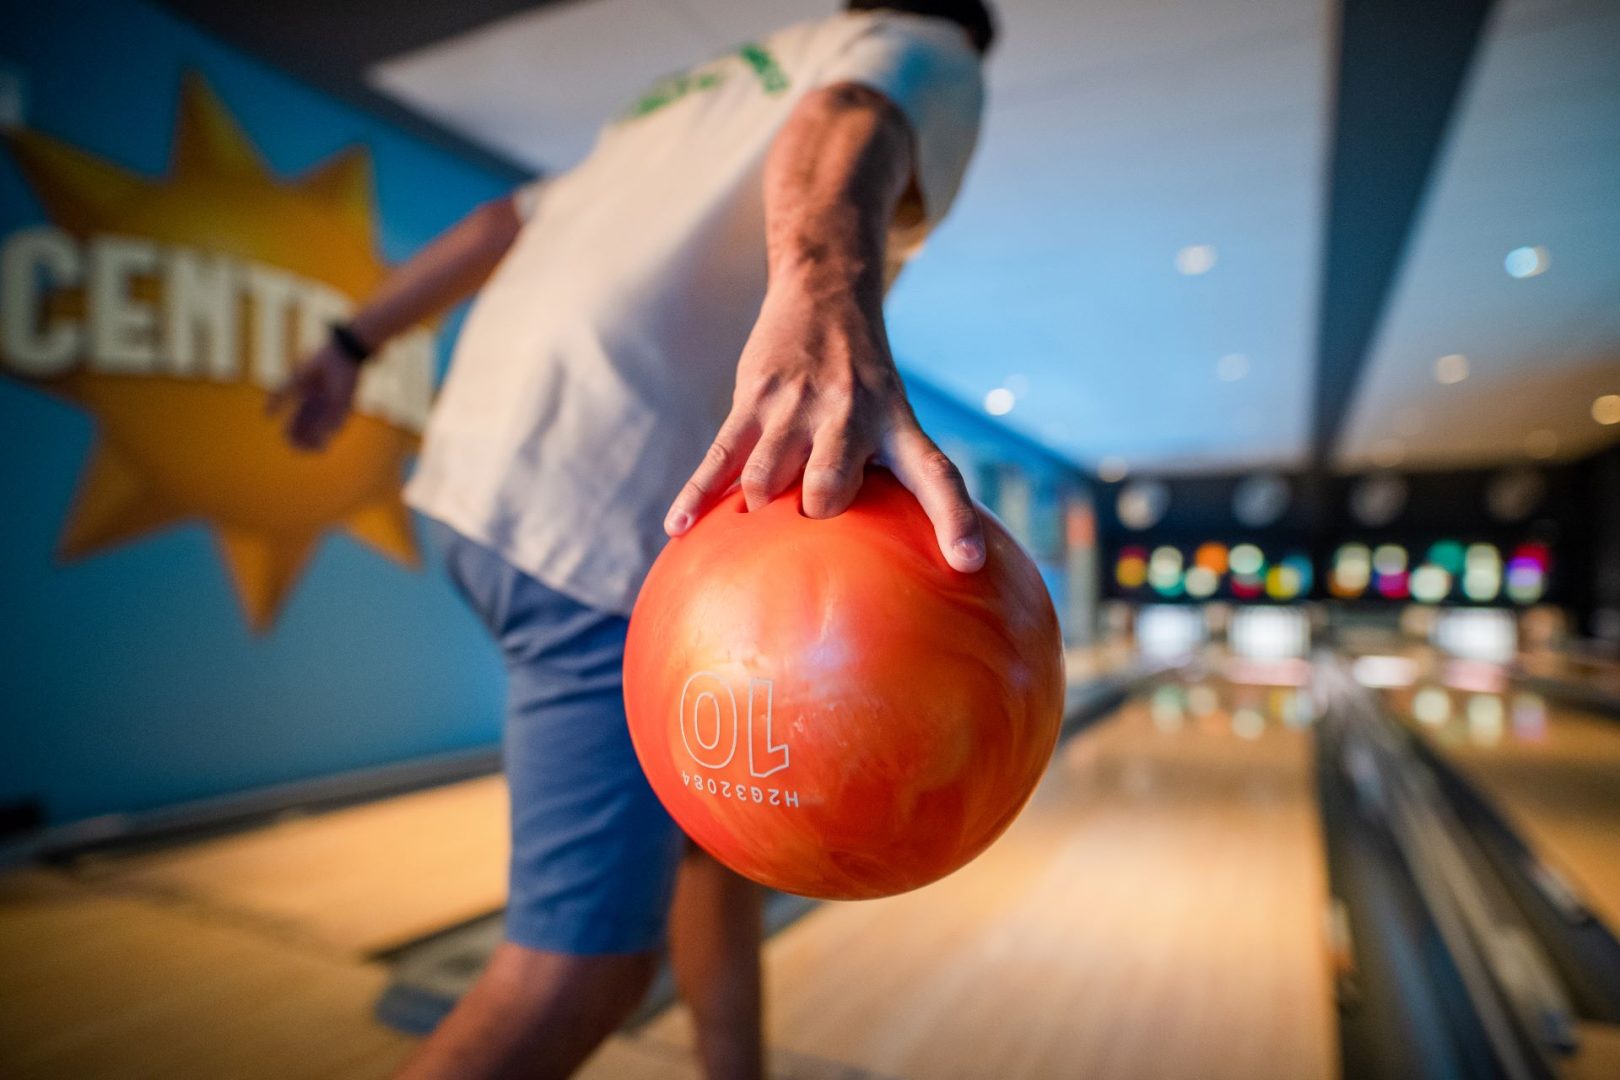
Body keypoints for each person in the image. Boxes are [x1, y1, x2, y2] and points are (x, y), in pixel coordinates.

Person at [275, 2, 996, 1077]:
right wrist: (822, 292)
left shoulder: (695, 94)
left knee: (712, 827)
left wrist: (350, 341)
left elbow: (497, 227)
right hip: (596, 498)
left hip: (472, 474)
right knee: (580, 974)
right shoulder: (928, 51)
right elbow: (854, 115)